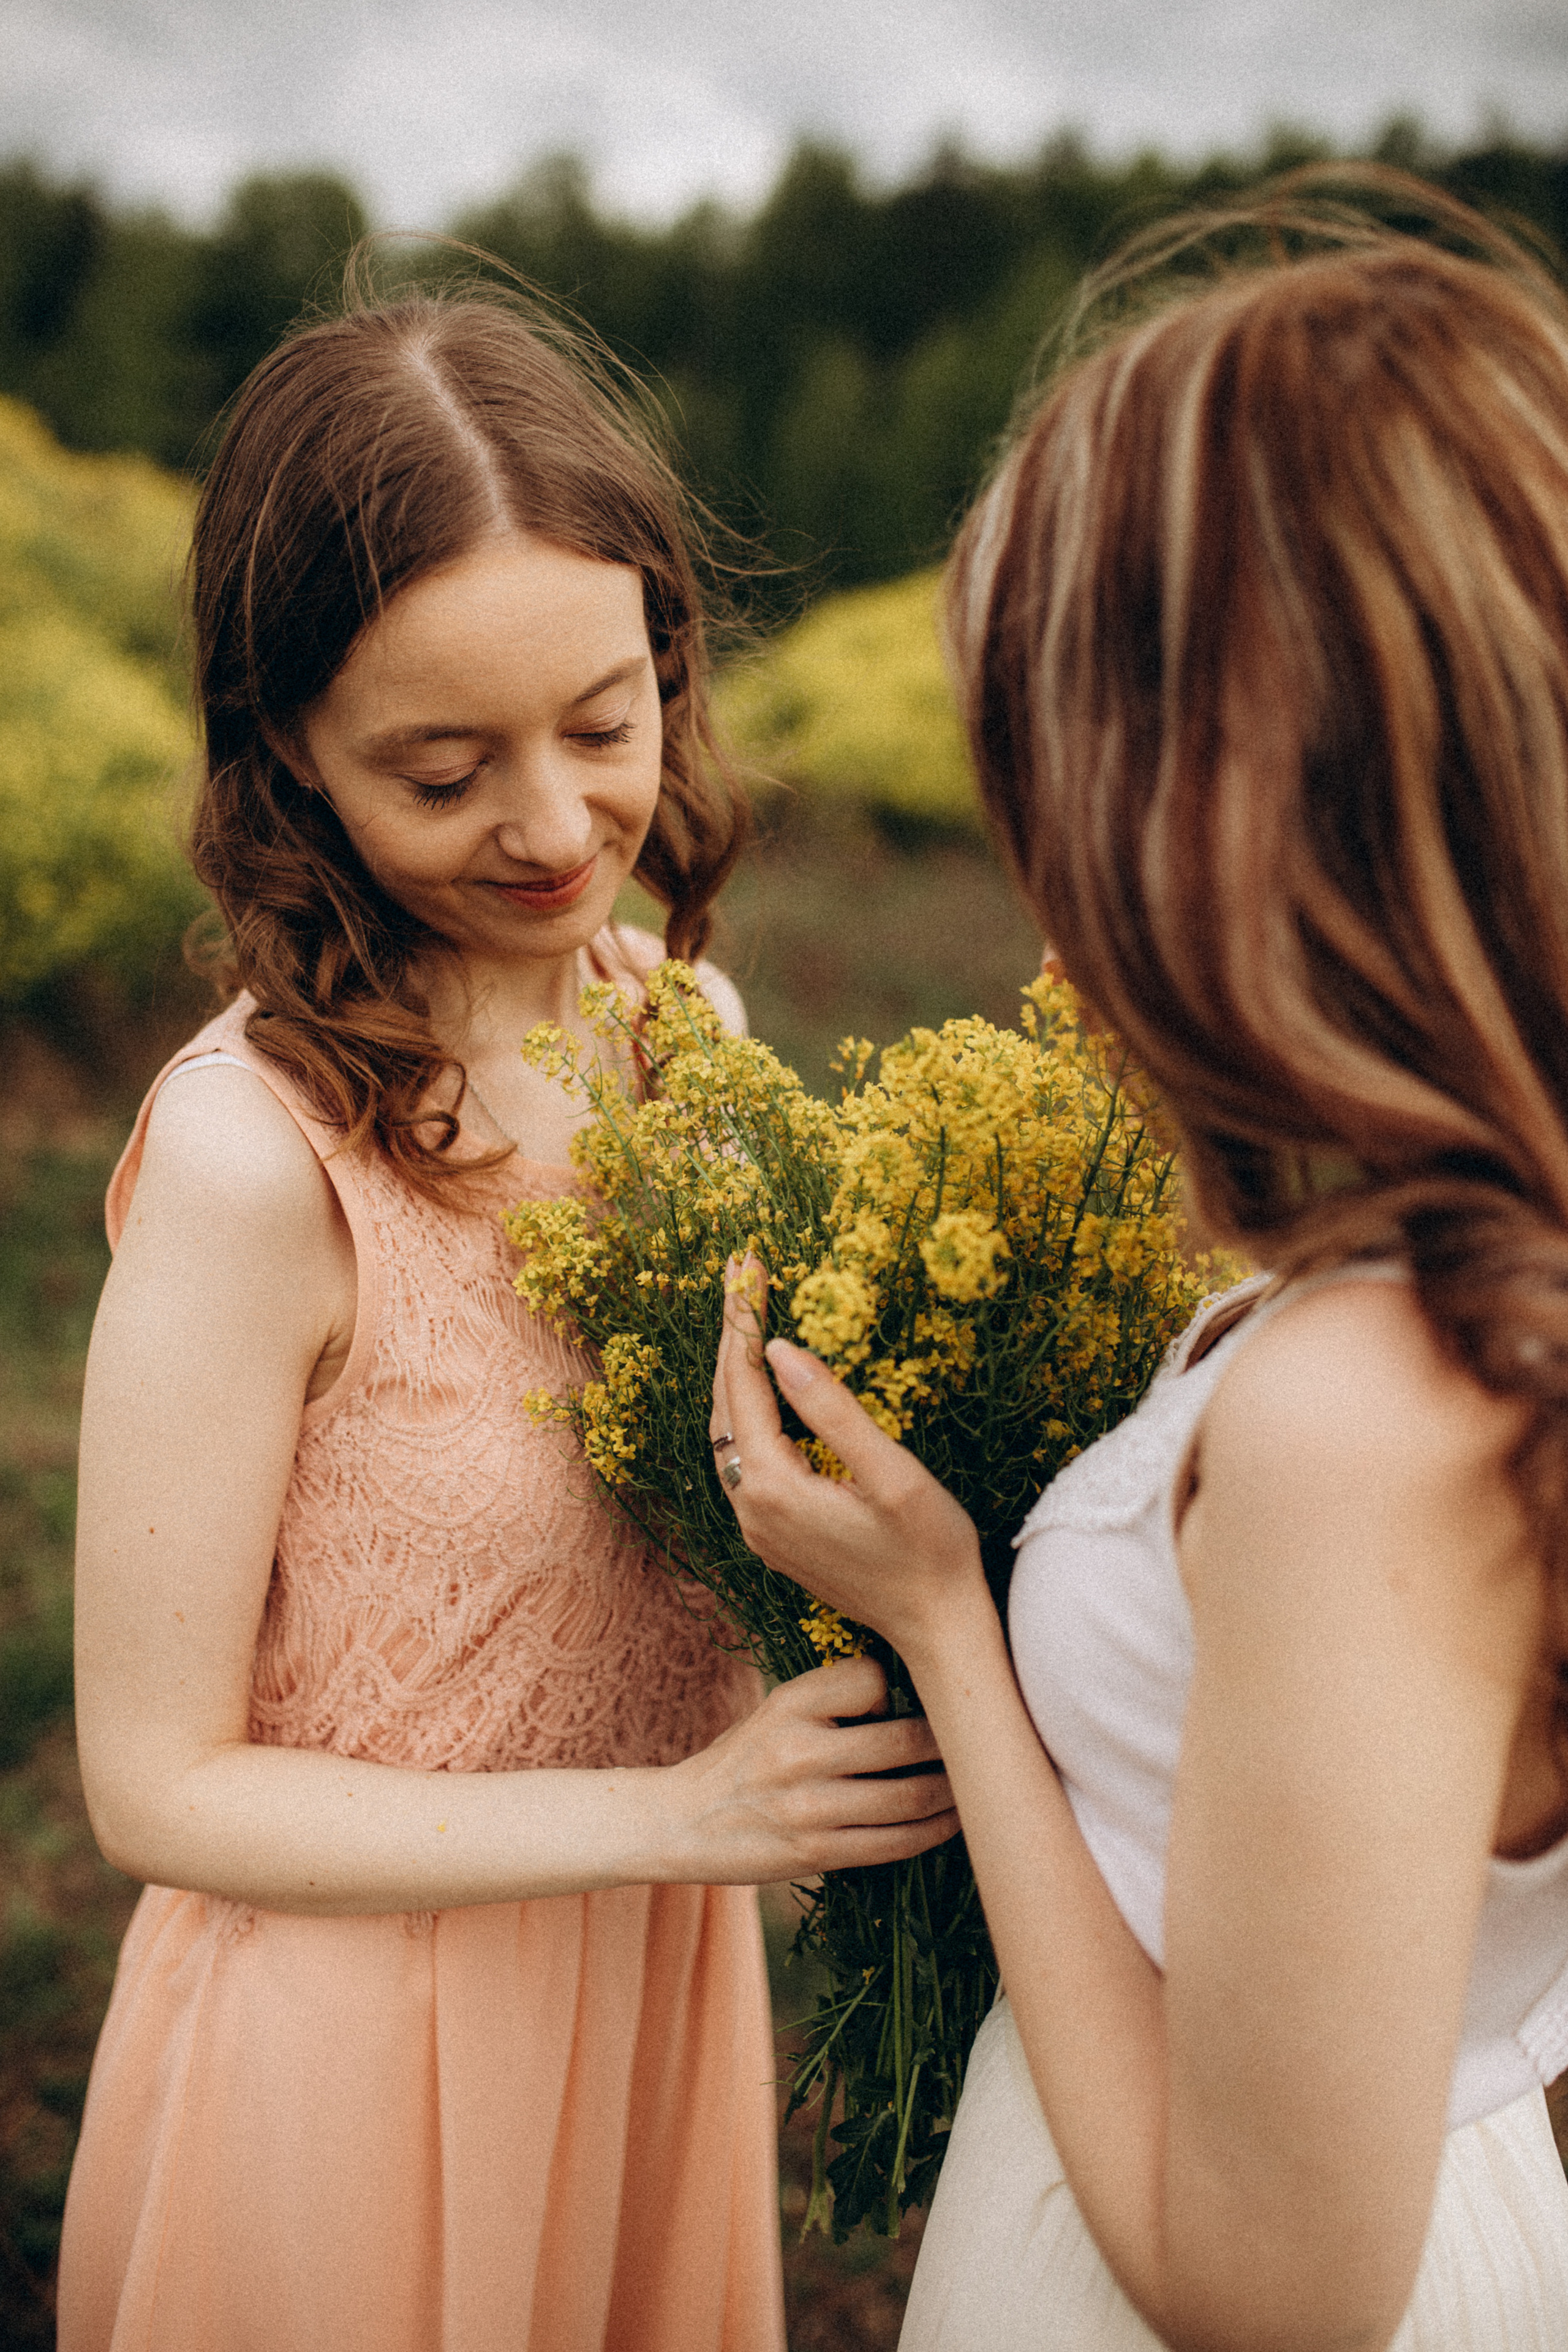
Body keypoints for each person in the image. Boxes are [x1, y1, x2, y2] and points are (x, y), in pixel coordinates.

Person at [57, 276, 958, 2352]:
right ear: (285, 746)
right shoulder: (250, 1162)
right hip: (361, 2052)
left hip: (652, 2001)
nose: (554, 829)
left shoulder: (690, 1039)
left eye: (606, 722)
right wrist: (683, 1816)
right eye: (443, 768)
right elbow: (157, 1786)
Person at [711, 183, 1568, 2352]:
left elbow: (1262, 2293)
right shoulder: (1470, 1283)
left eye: (1064, 775)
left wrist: (949, 1636)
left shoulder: (1367, 1414)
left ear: (1230, 806)